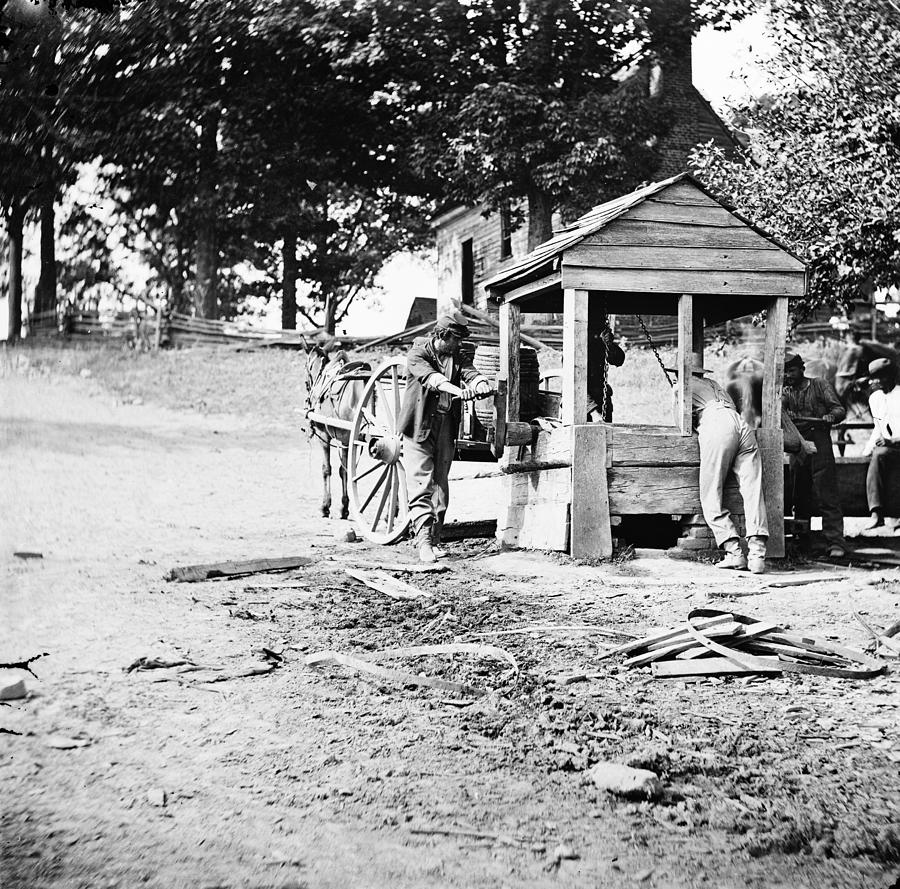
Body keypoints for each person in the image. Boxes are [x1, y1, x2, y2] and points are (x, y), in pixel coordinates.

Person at [398, 309, 493, 562]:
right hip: (420, 427)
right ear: (443, 335)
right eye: (457, 339)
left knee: (441, 485)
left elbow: (469, 371)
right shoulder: (418, 354)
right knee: (422, 484)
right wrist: (457, 391)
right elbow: (433, 380)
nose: (460, 344)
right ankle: (424, 543)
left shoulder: (456, 354)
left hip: (445, 427)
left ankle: (436, 539)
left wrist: (480, 382)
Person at [675, 359, 769, 573]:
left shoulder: (680, 386)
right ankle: (757, 555)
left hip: (716, 423)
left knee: (710, 494)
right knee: (753, 489)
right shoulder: (715, 384)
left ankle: (734, 552)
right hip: (741, 424)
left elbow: (681, 423)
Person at [782, 352, 847, 558]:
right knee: (800, 495)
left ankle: (835, 542)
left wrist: (831, 416)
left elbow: (839, 409)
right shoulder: (784, 392)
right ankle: (803, 540)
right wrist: (785, 415)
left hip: (820, 442)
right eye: (784, 372)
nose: (788, 375)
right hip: (799, 446)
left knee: (827, 493)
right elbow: (777, 413)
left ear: (802, 369)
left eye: (791, 370)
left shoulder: (819, 385)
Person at [862, 357, 900, 530]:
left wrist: (891, 440)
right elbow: (878, 428)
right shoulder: (875, 398)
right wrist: (866, 451)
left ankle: (877, 513)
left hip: (895, 446)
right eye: (873, 378)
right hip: (886, 448)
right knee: (875, 454)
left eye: (879, 378)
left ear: (890, 377)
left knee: (881, 453)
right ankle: (877, 512)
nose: (875, 382)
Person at [586, 311, 625, 422]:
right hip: (581, 407)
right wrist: (593, 412)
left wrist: (609, 344)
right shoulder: (575, 348)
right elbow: (574, 385)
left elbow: (618, 360)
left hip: (601, 401)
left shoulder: (600, 344)